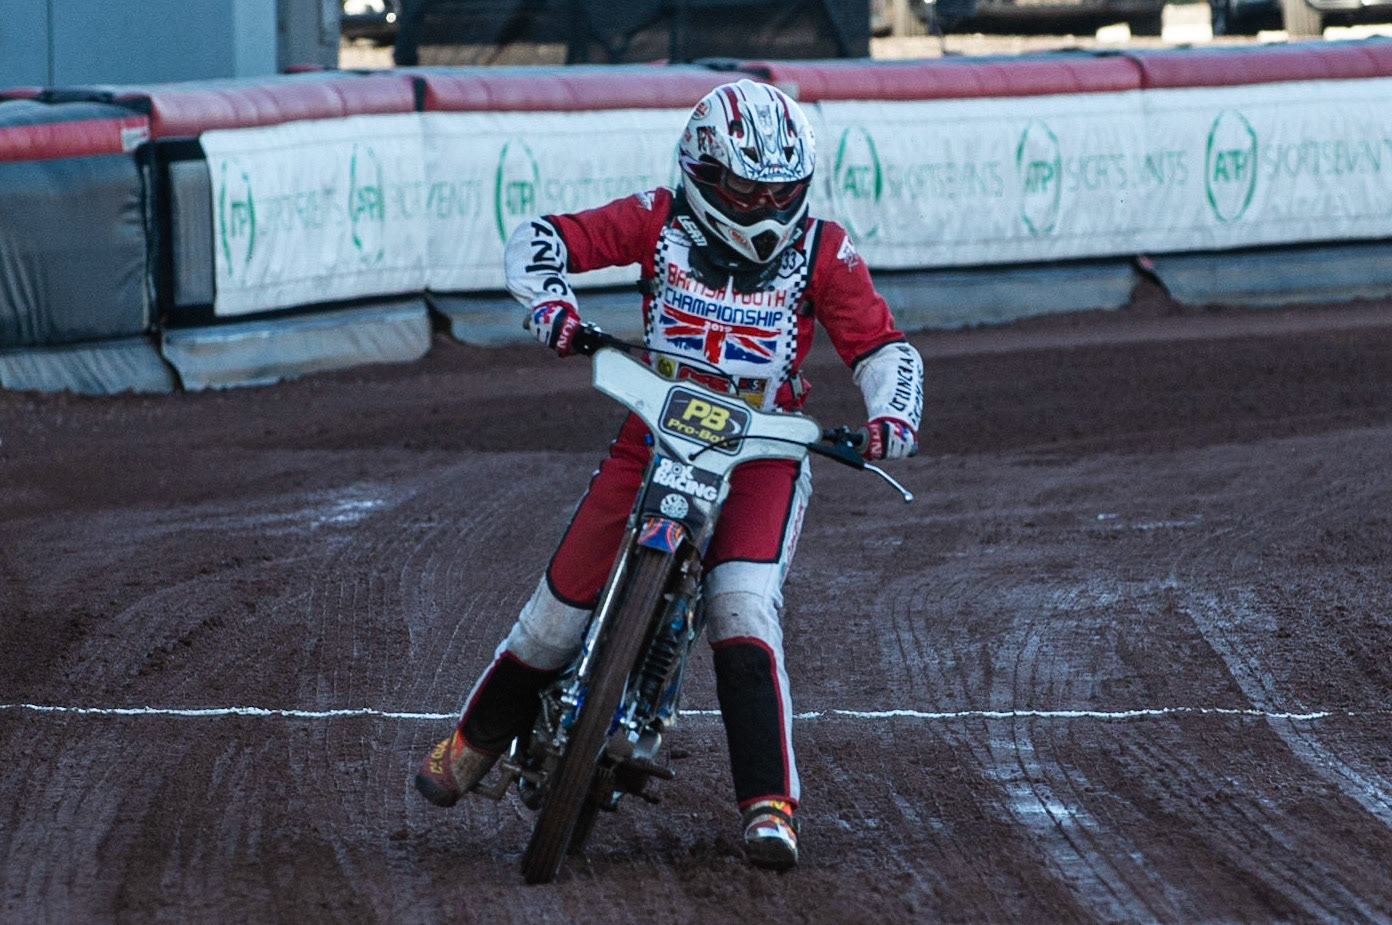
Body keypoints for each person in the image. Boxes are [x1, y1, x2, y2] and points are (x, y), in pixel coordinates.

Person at [413, 78, 924, 871]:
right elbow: (543, 237)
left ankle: (769, 802)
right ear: (703, 173)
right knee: (553, 616)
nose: (764, 207)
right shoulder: (657, 218)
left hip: (763, 447)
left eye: (780, 190)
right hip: (655, 425)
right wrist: (553, 308)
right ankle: (472, 742)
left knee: (742, 607)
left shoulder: (825, 249)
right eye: (747, 189)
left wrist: (892, 417)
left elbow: (883, 346)